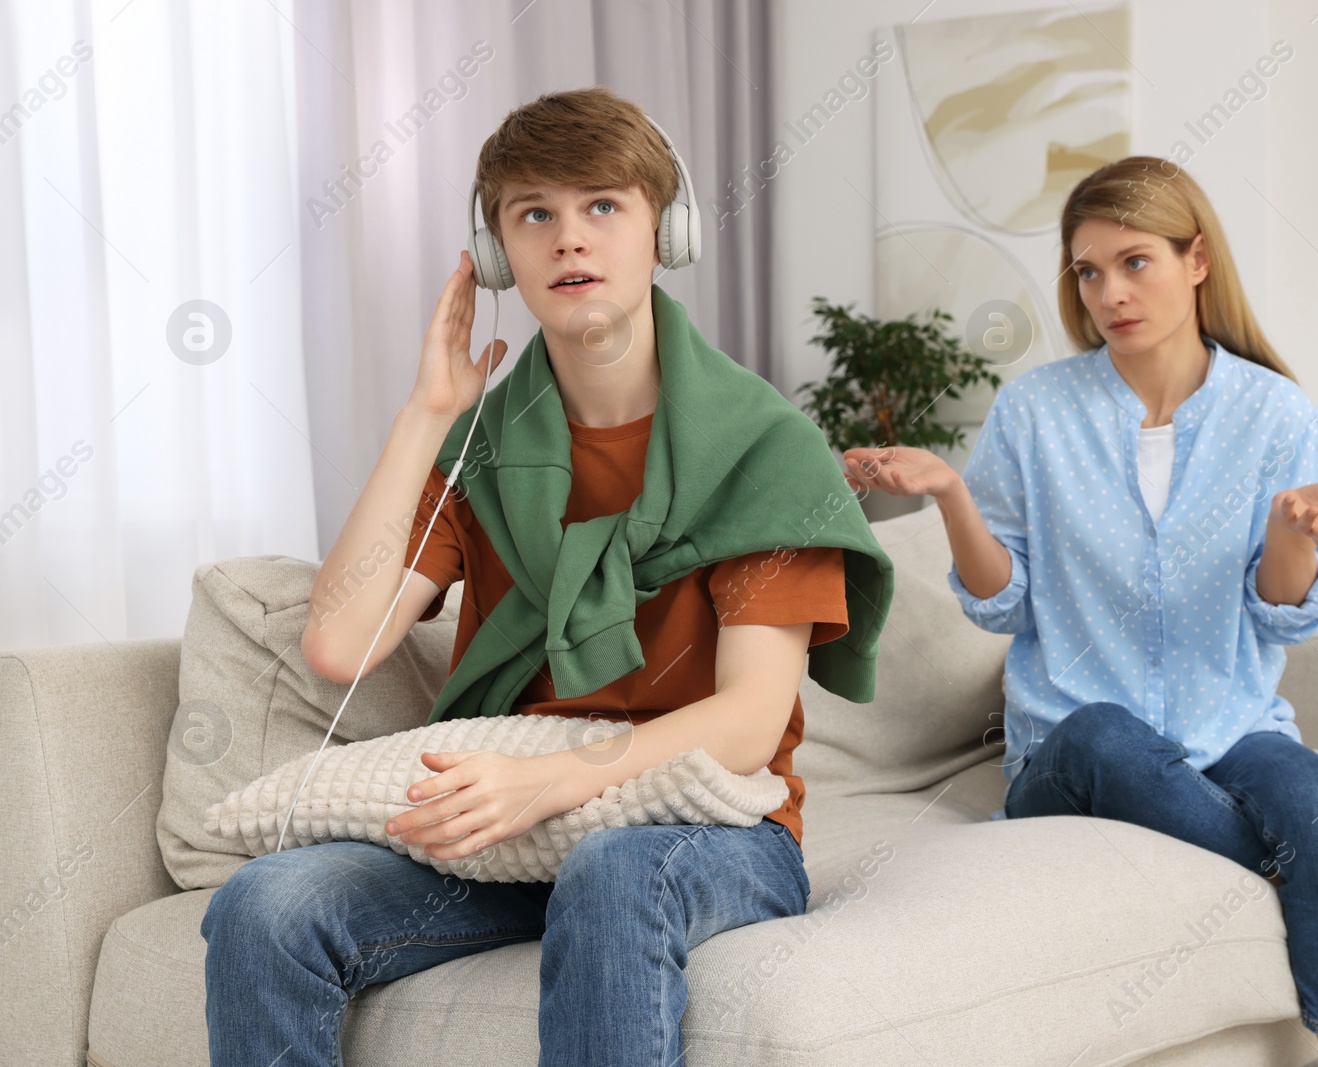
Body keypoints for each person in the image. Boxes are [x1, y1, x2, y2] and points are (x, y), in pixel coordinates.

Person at [199, 86, 893, 1066]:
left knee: (612, 868)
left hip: (711, 824)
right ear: (496, 257)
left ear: (667, 230)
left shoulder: (763, 451)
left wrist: (550, 782)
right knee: (266, 902)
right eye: (535, 215)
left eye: (602, 206)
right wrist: (426, 414)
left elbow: (745, 721)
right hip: (504, 837)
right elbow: (339, 641)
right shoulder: (480, 451)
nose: (570, 239)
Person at [841, 156, 1318, 1067]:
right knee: (1108, 736)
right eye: (1088, 271)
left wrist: (1291, 535)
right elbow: (1002, 604)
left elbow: (1284, 617)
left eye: (1134, 262)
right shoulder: (1037, 411)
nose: (1108, 292)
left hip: (1231, 723)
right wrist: (953, 496)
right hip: (1069, 744)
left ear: (1196, 259)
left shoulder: (1273, 415)